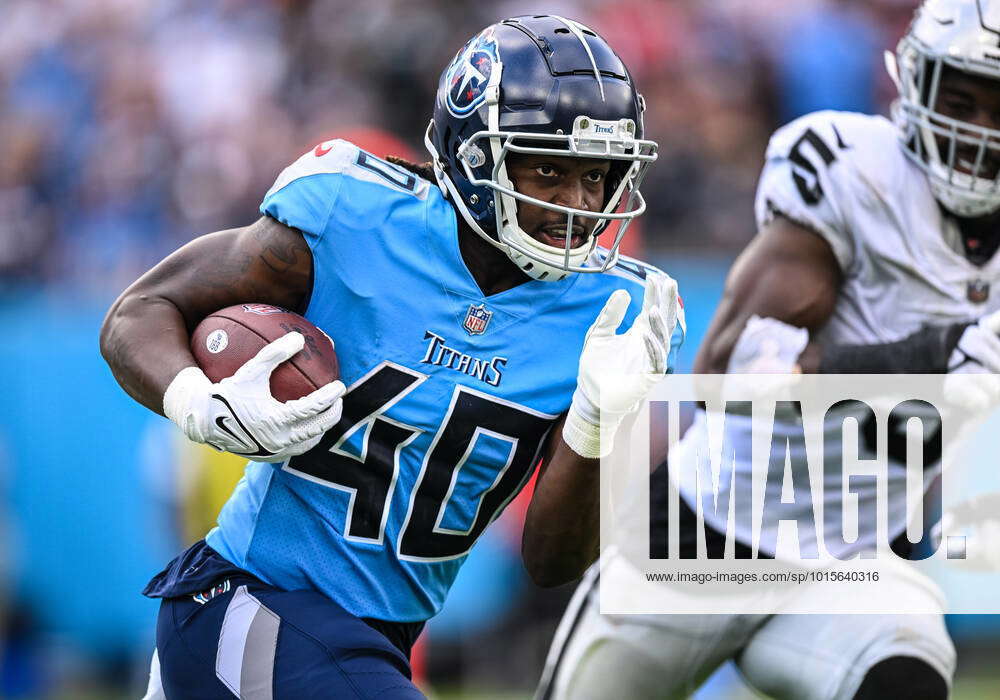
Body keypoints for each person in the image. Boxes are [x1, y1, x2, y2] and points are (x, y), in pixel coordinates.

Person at [99, 15, 684, 699]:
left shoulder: (612, 314)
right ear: (473, 155)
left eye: (600, 175)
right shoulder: (354, 218)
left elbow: (554, 560)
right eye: (549, 169)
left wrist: (595, 422)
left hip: (370, 645)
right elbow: (138, 312)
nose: (577, 204)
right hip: (248, 601)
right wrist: (200, 404)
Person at [536, 1, 1000, 698]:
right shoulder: (855, 172)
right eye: (961, 102)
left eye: (999, 109)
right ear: (914, 84)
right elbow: (734, 373)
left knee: (908, 665)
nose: (979, 133)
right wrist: (937, 355)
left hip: (846, 562)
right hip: (704, 535)